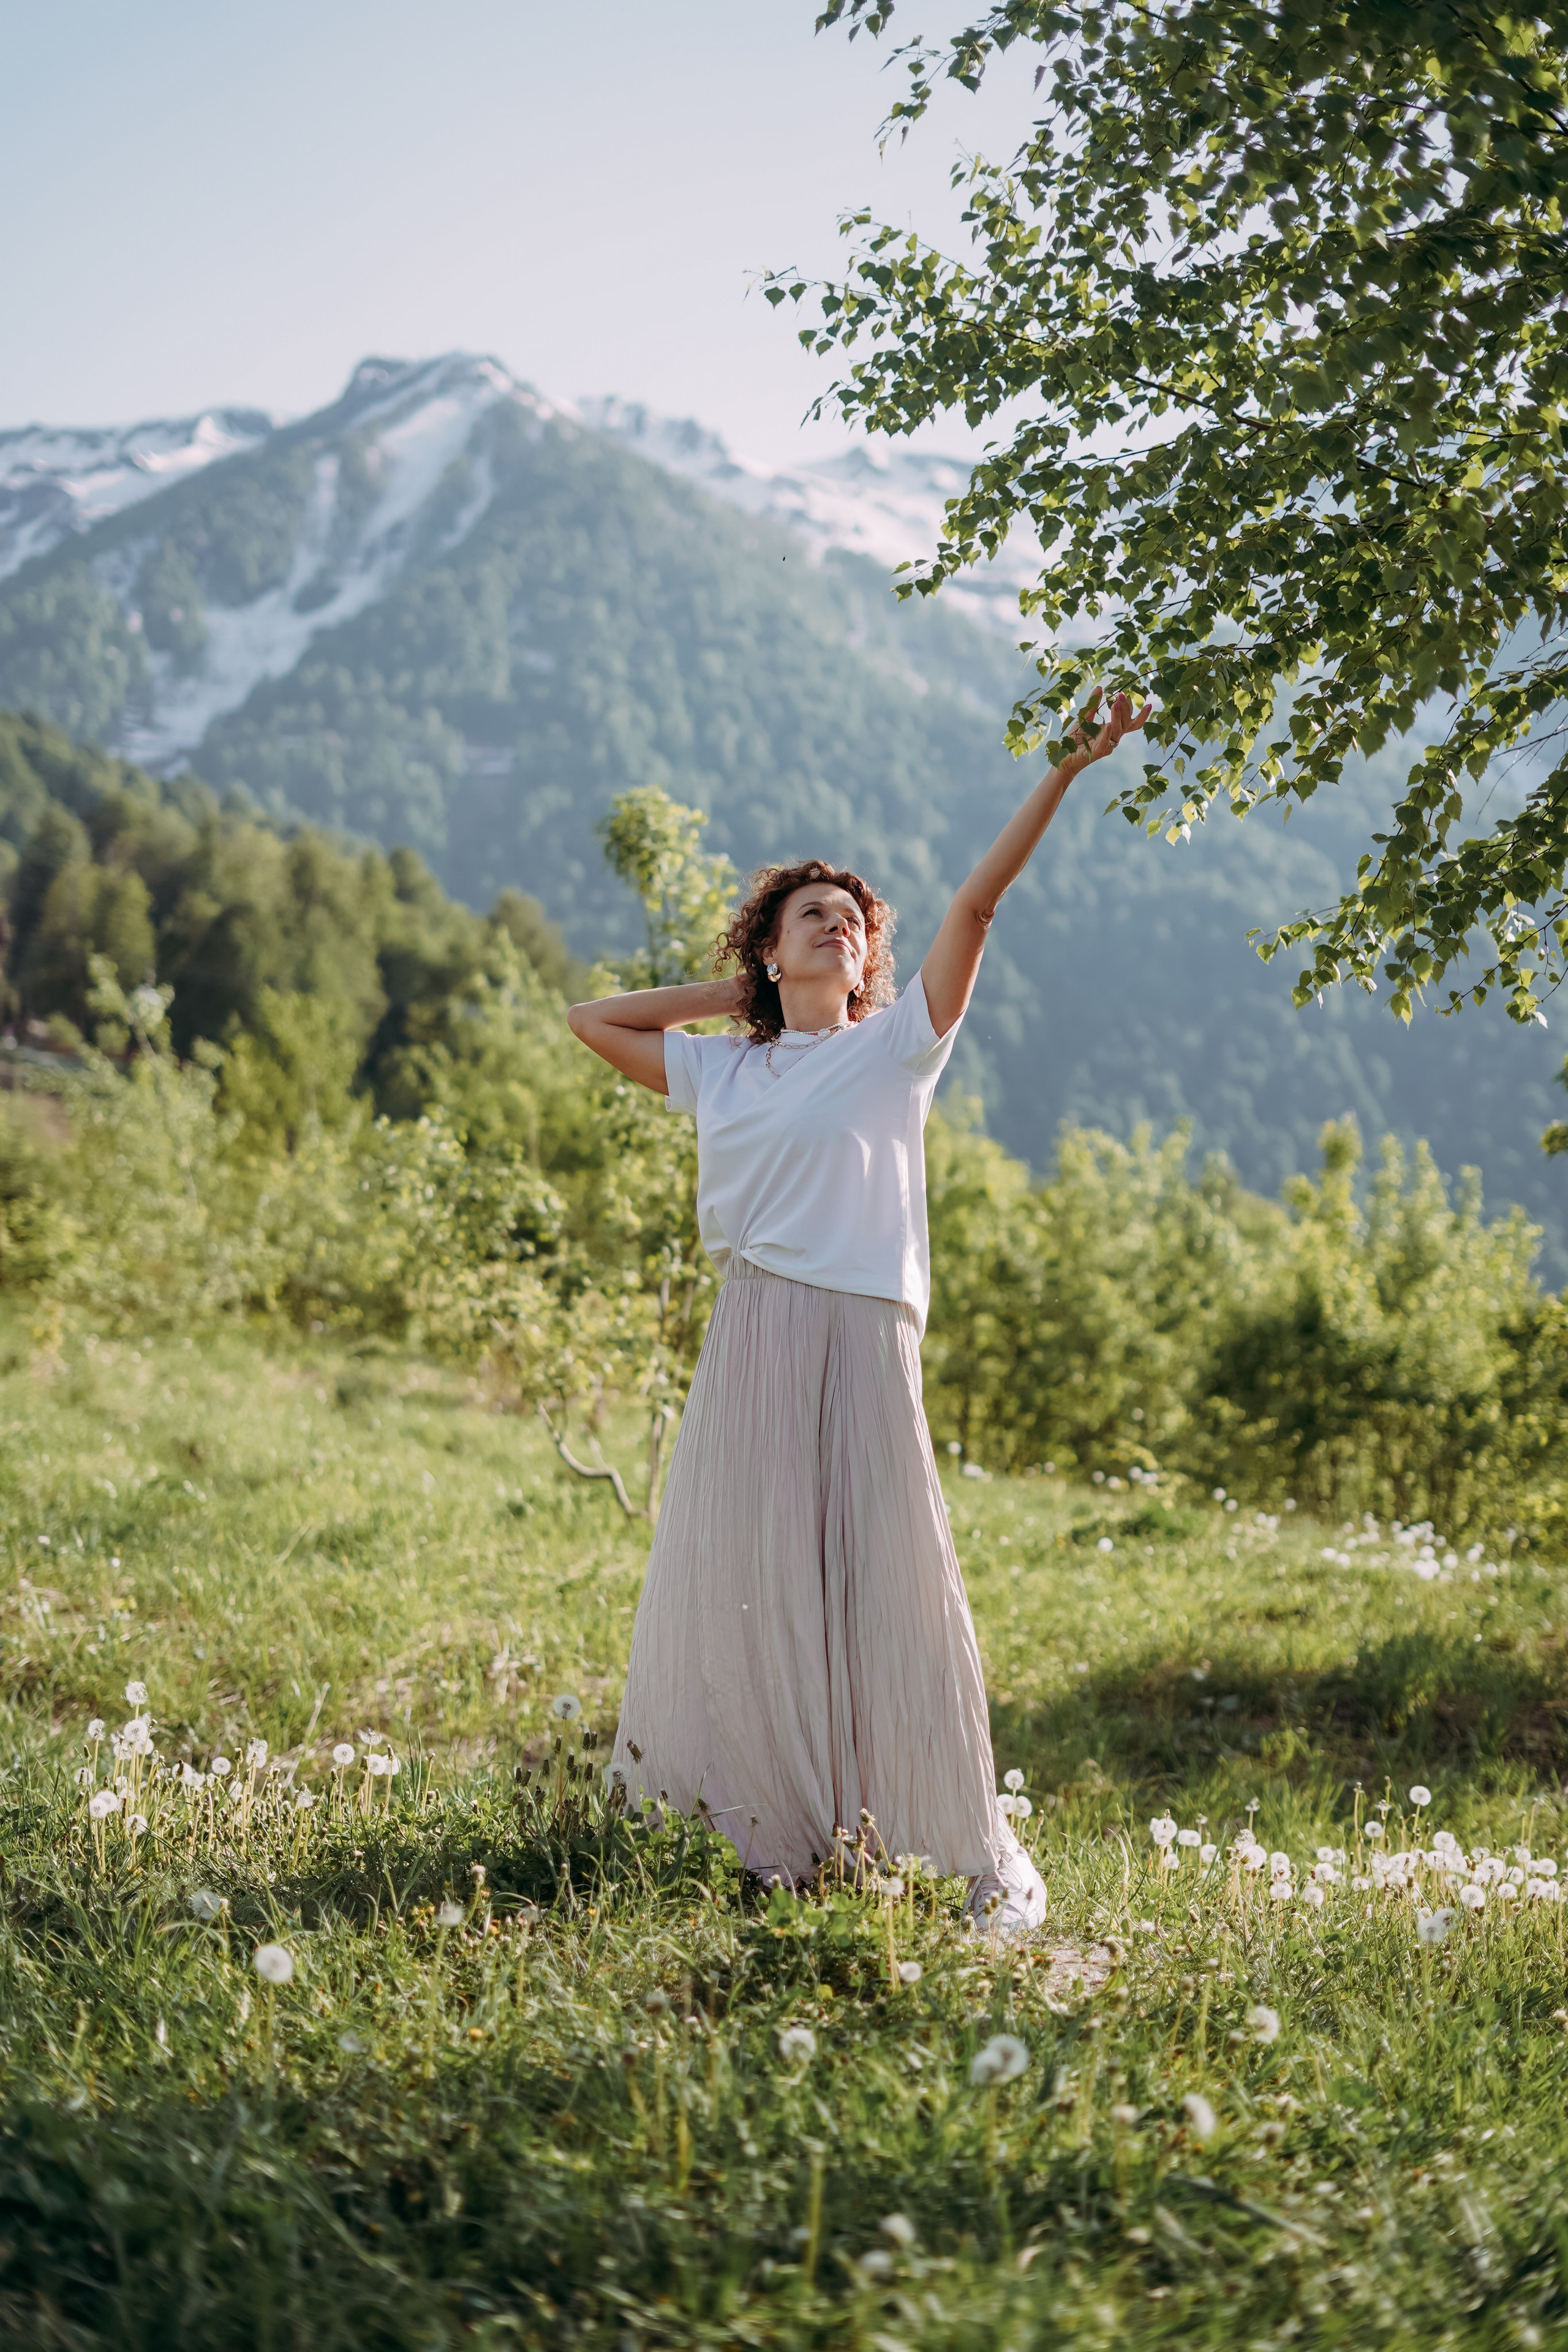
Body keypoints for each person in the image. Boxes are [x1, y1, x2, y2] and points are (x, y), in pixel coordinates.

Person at [568, 687, 1150, 1932]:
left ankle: (912, 1832)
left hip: (867, 1332)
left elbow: (977, 905)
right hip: (757, 1331)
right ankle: (764, 1827)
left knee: (881, 1583)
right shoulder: (720, 1061)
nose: (836, 925)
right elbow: (589, 1020)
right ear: (770, 950)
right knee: (757, 1580)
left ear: (870, 957)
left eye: (850, 918)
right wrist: (733, 1002)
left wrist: (1068, 767)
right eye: (808, 915)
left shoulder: (897, 1048)